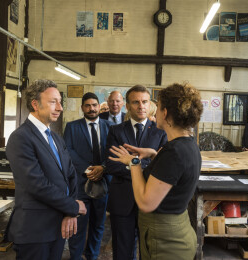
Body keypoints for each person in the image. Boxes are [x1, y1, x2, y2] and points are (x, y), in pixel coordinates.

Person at [108, 82, 203, 260]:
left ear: (165, 113)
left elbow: (145, 203)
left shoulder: (173, 151)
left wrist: (134, 163)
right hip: (174, 232)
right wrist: (152, 154)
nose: (153, 111)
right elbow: (171, 172)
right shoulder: (187, 144)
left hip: (167, 241)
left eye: (157, 107)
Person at [5, 79, 87, 260]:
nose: (60, 107)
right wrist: (72, 206)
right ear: (35, 104)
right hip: (35, 230)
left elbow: (71, 175)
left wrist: (69, 212)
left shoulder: (56, 138)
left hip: (58, 225)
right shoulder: (21, 138)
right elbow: (36, 184)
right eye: (53, 102)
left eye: (60, 101)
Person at [105, 85, 167, 260]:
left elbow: (161, 166)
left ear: (149, 104)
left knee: (148, 251)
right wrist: (144, 164)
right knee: (122, 251)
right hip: (122, 201)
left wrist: (131, 163)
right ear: (128, 106)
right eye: (136, 102)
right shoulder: (116, 131)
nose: (141, 106)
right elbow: (112, 165)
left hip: (150, 200)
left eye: (145, 102)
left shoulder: (160, 133)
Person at [64, 92, 112, 260]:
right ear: (82, 108)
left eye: (94, 105)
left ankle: (92, 256)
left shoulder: (110, 126)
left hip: (103, 183)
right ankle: (75, 257)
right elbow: (68, 151)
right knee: (79, 224)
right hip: (80, 184)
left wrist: (103, 168)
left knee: (98, 224)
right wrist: (89, 170)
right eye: (87, 105)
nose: (91, 109)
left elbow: (113, 151)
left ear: (99, 107)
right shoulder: (72, 127)